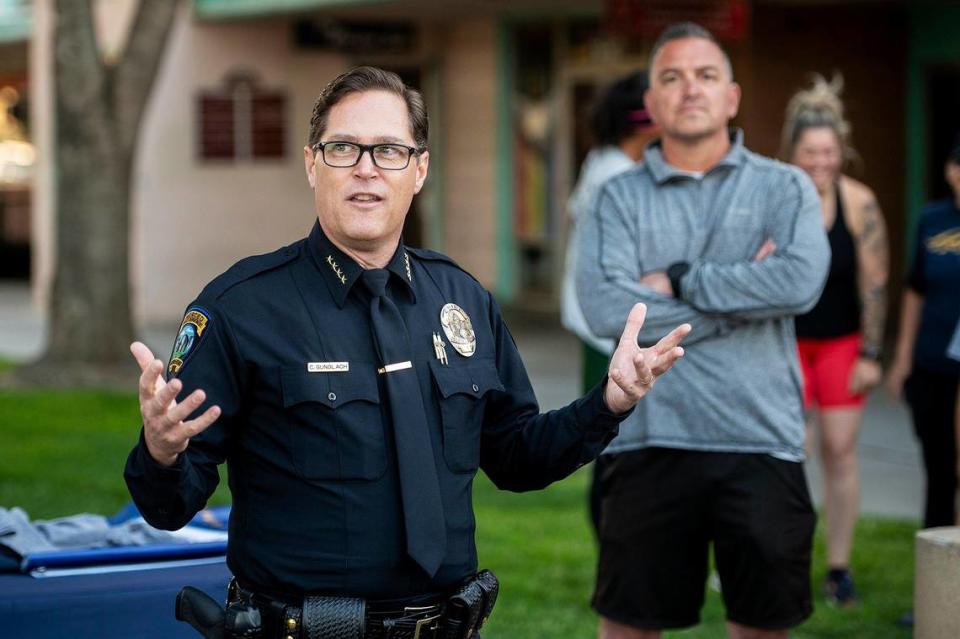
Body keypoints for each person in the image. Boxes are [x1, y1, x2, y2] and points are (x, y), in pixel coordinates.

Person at [123, 66, 690, 639]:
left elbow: (516, 459)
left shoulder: (461, 298)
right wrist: (161, 452)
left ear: (419, 170)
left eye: (389, 150)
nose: (366, 168)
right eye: (343, 147)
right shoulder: (240, 308)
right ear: (311, 163)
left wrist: (608, 404)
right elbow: (169, 508)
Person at [576, 22, 830, 639]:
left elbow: (798, 284)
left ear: (732, 97)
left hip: (761, 440)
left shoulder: (785, 187)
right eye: (672, 77)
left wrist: (679, 279)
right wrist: (748, 293)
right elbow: (607, 308)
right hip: (646, 440)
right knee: (630, 626)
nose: (690, 89)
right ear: (654, 103)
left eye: (706, 75)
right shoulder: (616, 198)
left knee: (761, 626)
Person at [780, 74, 889, 607]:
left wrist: (871, 353)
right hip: (785, 345)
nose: (820, 162)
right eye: (810, 152)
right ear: (792, 153)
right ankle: (779, 558)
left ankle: (838, 567)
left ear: (840, 151)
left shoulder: (859, 202)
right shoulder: (777, 198)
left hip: (842, 343)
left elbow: (875, 282)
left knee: (839, 453)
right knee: (783, 452)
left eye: (829, 152)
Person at [560, 71, 659, 536]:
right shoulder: (616, 176)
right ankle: (618, 544)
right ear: (644, 120)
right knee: (616, 437)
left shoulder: (604, 162)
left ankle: (620, 540)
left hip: (604, 326)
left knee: (615, 438)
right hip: (611, 329)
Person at [886, 134, 960, 531]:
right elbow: (915, 290)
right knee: (938, 465)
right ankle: (938, 558)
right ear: (950, 170)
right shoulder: (932, 219)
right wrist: (902, 358)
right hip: (932, 360)